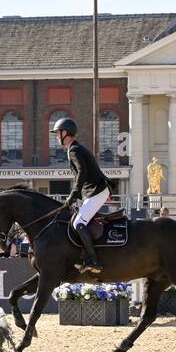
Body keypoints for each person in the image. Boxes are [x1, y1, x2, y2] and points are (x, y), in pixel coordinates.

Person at [53, 116, 111, 274]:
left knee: (78, 223)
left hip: (96, 191)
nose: (57, 136)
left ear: (65, 133)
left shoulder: (74, 150)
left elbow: (82, 173)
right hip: (93, 191)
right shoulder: (75, 148)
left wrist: (73, 194)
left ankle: (94, 260)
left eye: (58, 133)